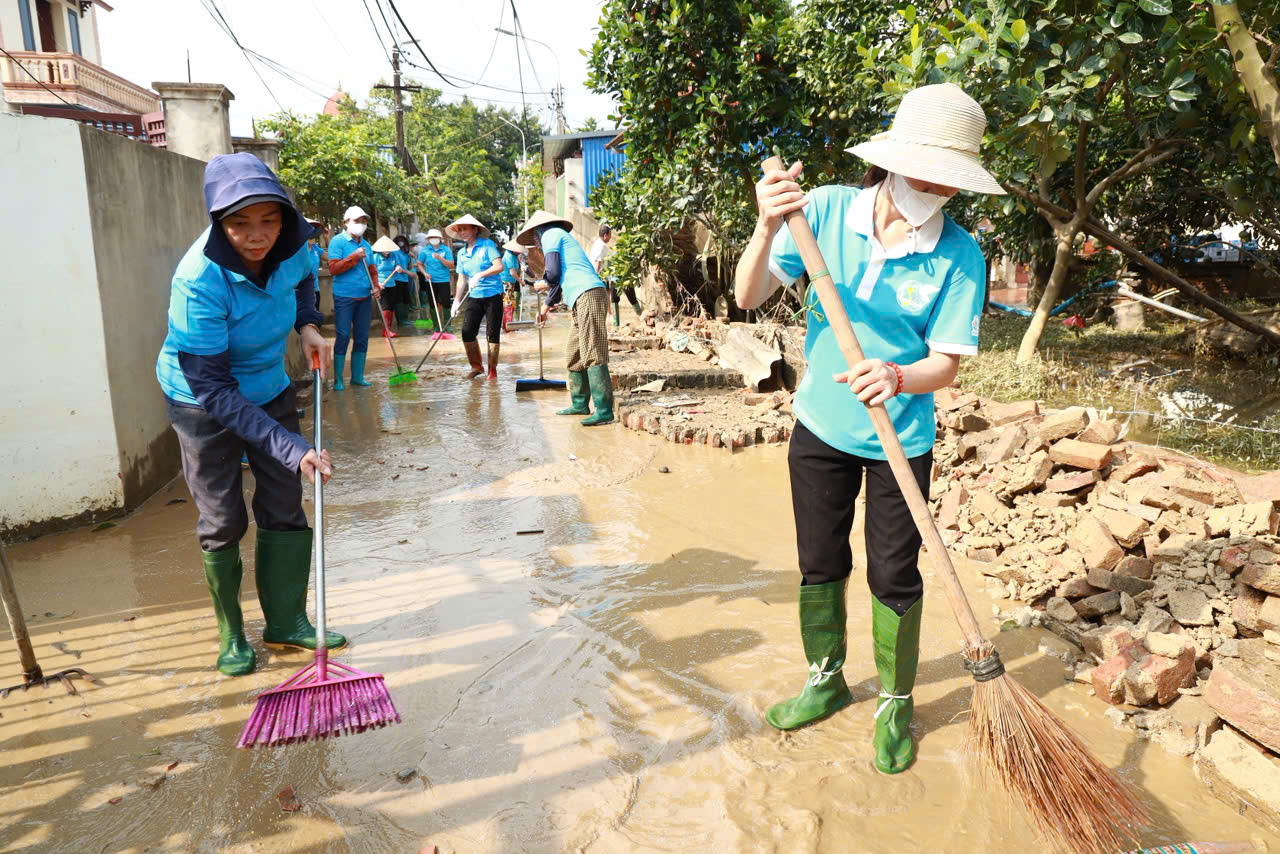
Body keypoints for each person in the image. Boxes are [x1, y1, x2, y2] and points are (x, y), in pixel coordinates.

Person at [733, 83, 1000, 774]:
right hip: (822, 426)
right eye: (928, 174)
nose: (938, 189)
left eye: (951, 179)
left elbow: (946, 363)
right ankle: (825, 680)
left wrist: (898, 376)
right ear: (893, 161)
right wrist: (766, 226)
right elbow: (747, 295)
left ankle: (895, 703)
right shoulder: (821, 211)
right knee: (821, 560)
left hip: (901, 437)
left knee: (894, 573)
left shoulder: (960, 256)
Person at [156, 152, 348, 677]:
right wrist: (292, 446)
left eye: (269, 220)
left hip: (268, 386)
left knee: (285, 500)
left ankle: (286, 620)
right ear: (218, 221)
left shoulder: (293, 248)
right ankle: (232, 634)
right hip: (201, 402)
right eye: (240, 223)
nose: (257, 235)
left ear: (285, 219)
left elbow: (304, 281)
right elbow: (215, 390)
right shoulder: (197, 281)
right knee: (222, 518)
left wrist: (308, 324)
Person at [520, 210, 615, 426]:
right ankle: (580, 404)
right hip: (580, 298)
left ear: (538, 232)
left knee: (592, 351)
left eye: (534, 238)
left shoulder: (550, 235)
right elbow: (557, 283)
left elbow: (553, 276)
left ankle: (604, 410)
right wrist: (545, 307)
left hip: (588, 293)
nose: (536, 243)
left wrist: (543, 283)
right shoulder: (559, 238)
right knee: (574, 351)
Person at [326, 206, 381, 389]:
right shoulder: (337, 242)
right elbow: (333, 268)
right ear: (346, 222)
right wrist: (354, 257)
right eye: (357, 221)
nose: (361, 224)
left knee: (362, 337)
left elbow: (372, 271)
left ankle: (358, 377)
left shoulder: (367, 246)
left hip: (364, 297)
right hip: (344, 297)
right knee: (342, 335)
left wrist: (376, 286)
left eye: (363, 221)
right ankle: (338, 379)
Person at [447, 214, 505, 380]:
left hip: (493, 294)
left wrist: (480, 274)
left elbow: (499, 266)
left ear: (475, 229)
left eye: (465, 229)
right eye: (459, 230)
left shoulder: (487, 245)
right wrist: (456, 301)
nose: (462, 232)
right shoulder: (461, 253)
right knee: (467, 331)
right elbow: (461, 279)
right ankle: (477, 367)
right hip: (474, 296)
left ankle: (492, 371)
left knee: (492, 333)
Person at [591, 225, 641, 321]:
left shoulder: (598, 244)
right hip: (603, 275)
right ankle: (612, 317)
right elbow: (597, 262)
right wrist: (595, 276)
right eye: (610, 235)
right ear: (605, 235)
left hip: (609, 275)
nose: (610, 237)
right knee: (610, 296)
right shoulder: (601, 246)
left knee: (610, 294)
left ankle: (611, 316)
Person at [416, 228, 455, 334]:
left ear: (440, 238)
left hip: (443, 280)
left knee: (446, 303)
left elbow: (451, 265)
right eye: (431, 237)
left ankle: (447, 325)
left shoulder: (446, 250)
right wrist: (424, 273)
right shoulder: (425, 250)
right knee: (433, 303)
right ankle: (436, 326)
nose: (433, 239)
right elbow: (419, 263)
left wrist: (440, 258)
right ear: (428, 239)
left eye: (436, 237)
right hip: (430, 281)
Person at [372, 234, 405, 339]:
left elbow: (398, 265)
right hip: (381, 285)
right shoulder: (375, 257)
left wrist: (399, 267)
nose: (386, 252)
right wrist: (377, 283)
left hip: (392, 284)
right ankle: (386, 330)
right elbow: (372, 272)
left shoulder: (394, 256)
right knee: (385, 307)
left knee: (391, 307)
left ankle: (388, 329)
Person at [500, 240, 526, 331]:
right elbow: (512, 273)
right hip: (505, 282)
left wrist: (522, 264)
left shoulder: (515, 255)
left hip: (511, 283)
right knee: (508, 303)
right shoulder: (509, 255)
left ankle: (508, 324)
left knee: (512, 303)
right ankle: (507, 327)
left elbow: (519, 264)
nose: (519, 252)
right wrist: (521, 281)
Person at [305, 218, 328, 313]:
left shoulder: (315, 248)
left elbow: (332, 257)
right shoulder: (297, 249)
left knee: (314, 316)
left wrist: (327, 238)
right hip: (301, 291)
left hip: (315, 289)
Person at [391, 234, 414, 327]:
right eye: (399, 240)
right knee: (399, 300)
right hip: (397, 279)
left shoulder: (405, 253)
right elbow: (398, 268)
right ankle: (401, 321)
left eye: (403, 240)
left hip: (405, 279)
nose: (401, 242)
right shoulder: (394, 252)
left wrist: (410, 257)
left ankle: (405, 319)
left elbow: (409, 266)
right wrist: (409, 273)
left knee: (405, 299)